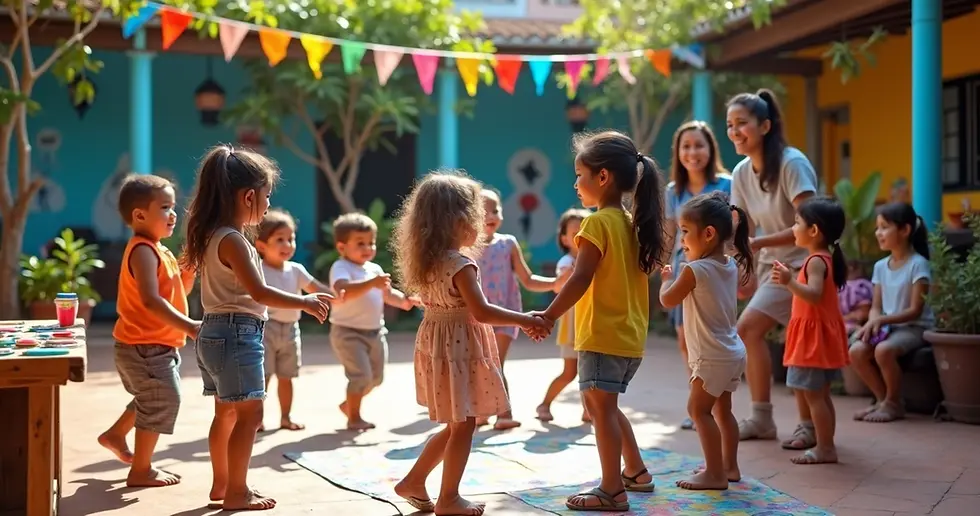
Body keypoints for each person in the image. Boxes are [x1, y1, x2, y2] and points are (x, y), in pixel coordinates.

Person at [180, 145, 335, 511]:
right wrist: (304, 302)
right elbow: (259, 291)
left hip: (213, 331)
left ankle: (222, 483)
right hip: (237, 333)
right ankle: (237, 491)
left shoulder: (213, 234)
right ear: (248, 196)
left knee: (225, 413)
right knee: (251, 416)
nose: (268, 205)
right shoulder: (234, 240)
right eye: (266, 196)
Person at [390, 170, 550, 516]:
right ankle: (448, 498)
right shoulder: (461, 265)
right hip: (459, 346)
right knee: (464, 424)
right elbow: (482, 311)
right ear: (460, 221)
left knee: (457, 423)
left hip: (438, 345)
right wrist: (525, 319)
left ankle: (414, 481)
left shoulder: (428, 261)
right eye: (477, 214)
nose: (481, 222)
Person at [535, 130, 665, 511]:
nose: (576, 184)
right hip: (628, 336)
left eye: (580, 175)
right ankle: (636, 472)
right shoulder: (631, 223)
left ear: (603, 176)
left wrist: (548, 315)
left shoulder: (595, 224)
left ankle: (611, 489)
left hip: (602, 335)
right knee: (606, 407)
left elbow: (579, 278)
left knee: (600, 410)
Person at [726, 88, 818, 442]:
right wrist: (743, 269)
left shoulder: (792, 163)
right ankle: (767, 419)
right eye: (730, 125)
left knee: (761, 331)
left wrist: (759, 244)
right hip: (772, 266)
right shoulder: (741, 172)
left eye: (742, 123)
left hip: (804, 266)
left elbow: (810, 224)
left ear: (765, 126)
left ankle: (806, 425)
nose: (735, 132)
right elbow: (743, 227)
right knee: (758, 332)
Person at [98, 174, 199, 487]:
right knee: (162, 399)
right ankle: (141, 470)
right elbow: (151, 301)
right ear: (140, 215)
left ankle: (116, 434)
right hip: (144, 347)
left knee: (152, 396)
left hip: (156, 345)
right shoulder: (143, 250)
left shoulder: (160, 251)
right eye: (165, 207)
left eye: (173, 207)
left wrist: (188, 272)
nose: (173, 214)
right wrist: (190, 326)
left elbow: (177, 293)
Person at [659, 192, 751, 490]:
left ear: (709, 234)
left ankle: (714, 473)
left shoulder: (694, 270)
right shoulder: (729, 264)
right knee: (723, 411)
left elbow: (668, 300)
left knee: (698, 411)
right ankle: (729, 467)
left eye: (685, 231)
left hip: (711, 356)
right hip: (732, 352)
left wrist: (665, 280)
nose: (682, 239)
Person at [664, 120, 733, 432]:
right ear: (678, 152)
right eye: (686, 146)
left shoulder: (726, 185)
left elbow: (735, 229)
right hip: (684, 270)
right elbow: (669, 235)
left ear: (710, 149)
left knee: (715, 335)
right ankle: (700, 402)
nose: (693, 152)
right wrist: (662, 269)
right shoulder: (672, 191)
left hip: (715, 271)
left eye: (699, 145)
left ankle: (714, 406)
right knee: (685, 339)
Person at [771, 196, 850, 465]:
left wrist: (789, 281)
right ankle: (826, 443)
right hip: (820, 335)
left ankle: (825, 448)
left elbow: (814, 295)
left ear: (814, 230)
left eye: (797, 223)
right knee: (821, 395)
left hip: (813, 339)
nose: (793, 228)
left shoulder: (816, 261)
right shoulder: (824, 258)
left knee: (814, 396)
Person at [328, 212, 420, 431]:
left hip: (376, 331)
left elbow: (387, 294)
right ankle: (354, 418)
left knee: (376, 379)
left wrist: (405, 301)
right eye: (360, 243)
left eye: (371, 243)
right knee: (361, 376)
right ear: (342, 247)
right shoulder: (341, 267)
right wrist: (371, 283)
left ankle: (349, 405)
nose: (367, 248)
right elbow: (343, 290)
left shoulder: (374, 269)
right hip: (347, 332)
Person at [476, 187, 558, 430]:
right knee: (478, 365)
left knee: (495, 363)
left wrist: (555, 283)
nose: (491, 216)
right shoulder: (466, 248)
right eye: (483, 211)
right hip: (477, 317)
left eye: (495, 210)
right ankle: (481, 411)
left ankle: (504, 413)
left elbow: (528, 279)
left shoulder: (508, 244)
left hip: (507, 315)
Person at [849, 202, 934, 423]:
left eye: (884, 227)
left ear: (905, 230)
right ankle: (882, 401)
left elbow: (915, 310)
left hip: (915, 327)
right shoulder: (880, 266)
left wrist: (881, 320)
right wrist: (872, 322)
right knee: (856, 351)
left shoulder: (918, 264)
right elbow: (876, 306)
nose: (878, 233)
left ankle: (894, 403)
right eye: (877, 228)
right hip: (889, 326)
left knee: (884, 350)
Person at [255, 208, 338, 433]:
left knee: (287, 376)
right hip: (264, 329)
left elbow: (317, 289)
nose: (287, 244)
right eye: (279, 239)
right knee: (262, 377)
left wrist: (337, 296)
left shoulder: (296, 270)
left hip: (291, 330)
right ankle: (256, 419)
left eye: (290, 239)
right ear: (261, 246)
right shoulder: (257, 271)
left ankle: (285, 417)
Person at [536, 208, 592, 424]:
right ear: (564, 239)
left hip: (592, 322)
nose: (582, 237)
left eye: (587, 232)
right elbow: (559, 288)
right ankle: (544, 404)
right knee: (570, 372)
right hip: (573, 324)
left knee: (591, 372)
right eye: (576, 233)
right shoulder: (566, 262)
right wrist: (572, 272)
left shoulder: (597, 260)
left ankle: (588, 410)